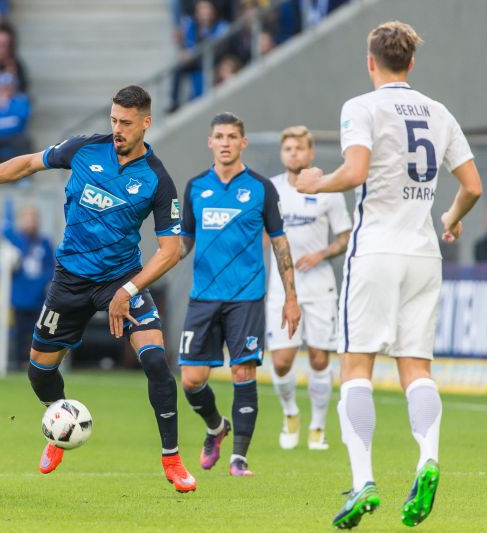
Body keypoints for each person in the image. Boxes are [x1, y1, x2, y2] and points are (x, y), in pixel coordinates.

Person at [0, 86, 197, 493]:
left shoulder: (157, 179)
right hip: (70, 279)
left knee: (157, 362)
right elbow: (26, 164)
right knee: (39, 370)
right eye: (113, 120)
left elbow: (171, 250)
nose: (117, 129)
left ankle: (173, 460)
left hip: (120, 280)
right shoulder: (85, 149)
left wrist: (127, 289)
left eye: (126, 123)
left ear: (146, 122)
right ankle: (58, 421)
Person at [296, 21, 482, 529]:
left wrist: (318, 183)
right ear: (412, 63)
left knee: (355, 369)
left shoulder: (362, 107)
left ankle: (364, 482)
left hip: (375, 250)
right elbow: (472, 185)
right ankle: (427, 460)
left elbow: (355, 172)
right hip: (423, 253)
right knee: (416, 370)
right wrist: (450, 217)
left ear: (370, 61)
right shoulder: (439, 112)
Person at [178, 112, 301, 477]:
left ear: (243, 143)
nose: (226, 142)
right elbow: (184, 240)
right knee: (191, 380)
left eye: (233, 136)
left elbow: (280, 243)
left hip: (246, 296)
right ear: (210, 142)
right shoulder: (195, 187)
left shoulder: (261, 188)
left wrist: (291, 298)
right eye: (220, 136)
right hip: (203, 295)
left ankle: (239, 457)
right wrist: (161, 257)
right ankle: (217, 427)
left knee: (243, 372)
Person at [267, 125, 351, 451]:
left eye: (299, 148)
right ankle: (290, 413)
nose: (293, 154)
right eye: (288, 148)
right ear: (282, 153)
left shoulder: (329, 190)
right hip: (280, 287)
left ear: (310, 153)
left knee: (318, 358)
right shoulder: (271, 190)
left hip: (319, 287)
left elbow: (345, 236)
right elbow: (264, 236)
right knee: (282, 362)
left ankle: (317, 425)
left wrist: (322, 253)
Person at [1, 204, 55, 369]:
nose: (30, 222)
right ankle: (17, 364)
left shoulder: (44, 242)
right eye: (27, 218)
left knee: (38, 332)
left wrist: (44, 284)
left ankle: (36, 364)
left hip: (39, 296)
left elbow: (51, 268)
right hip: (20, 296)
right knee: (19, 332)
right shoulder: (14, 240)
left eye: (33, 218)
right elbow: (4, 266)